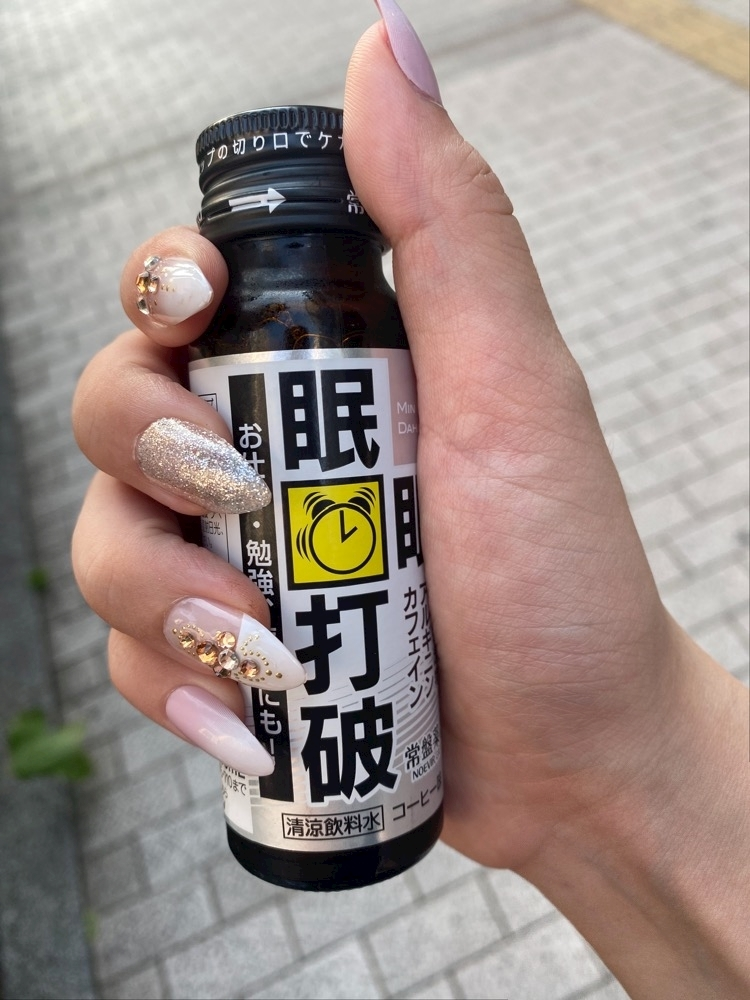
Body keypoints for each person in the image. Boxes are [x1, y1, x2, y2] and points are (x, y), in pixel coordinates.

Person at [71, 1, 749, 996]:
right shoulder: (229, 338)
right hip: (321, 779)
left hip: (421, 762)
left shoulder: (373, 318)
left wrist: (618, 756)